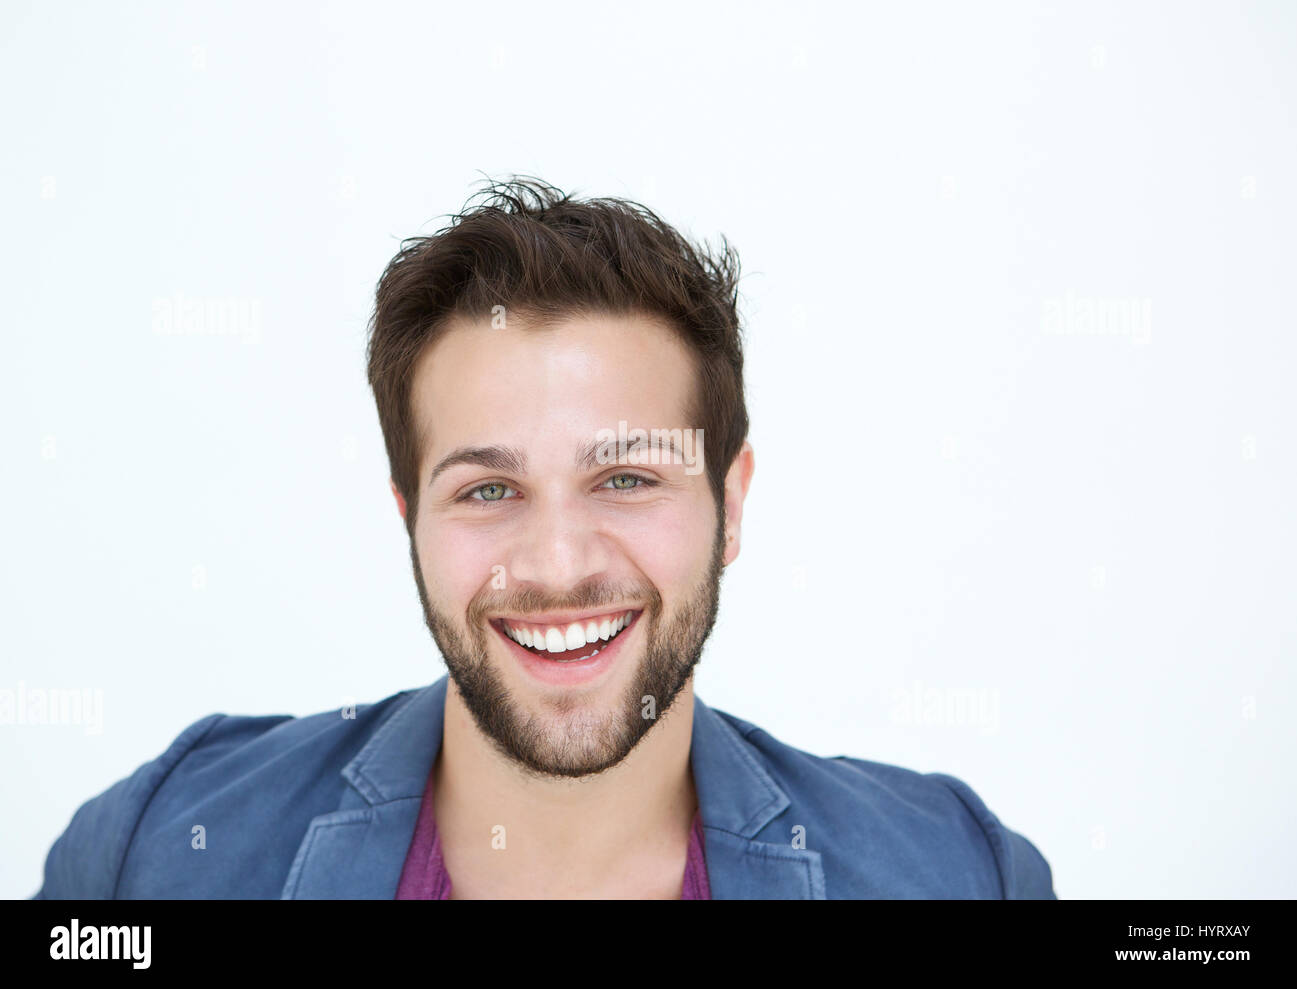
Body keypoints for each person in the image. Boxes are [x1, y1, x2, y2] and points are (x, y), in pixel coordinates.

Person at [34, 177, 1055, 899]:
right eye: (487, 489)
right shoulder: (156, 853)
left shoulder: (958, 871)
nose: (559, 565)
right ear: (408, 516)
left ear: (730, 503)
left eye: (625, 477)